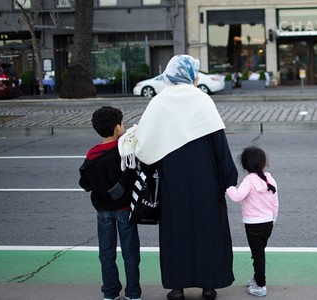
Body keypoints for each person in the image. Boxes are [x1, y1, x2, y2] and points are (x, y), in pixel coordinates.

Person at [118, 54, 238, 300]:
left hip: (173, 181)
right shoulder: (203, 101)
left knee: (176, 233)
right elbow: (219, 145)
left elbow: (144, 145)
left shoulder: (159, 103)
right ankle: (209, 285)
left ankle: (177, 287)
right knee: (208, 232)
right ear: (191, 75)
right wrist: (228, 179)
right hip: (207, 181)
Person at [79, 106, 141, 300]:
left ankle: (110, 292)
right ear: (117, 128)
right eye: (122, 123)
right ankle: (133, 293)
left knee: (106, 253)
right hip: (125, 209)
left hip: (103, 211)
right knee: (130, 254)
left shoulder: (92, 154)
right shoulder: (125, 151)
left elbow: (85, 183)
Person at [226, 146, 278, 297]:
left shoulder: (249, 180)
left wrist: (227, 186)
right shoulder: (270, 178)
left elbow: (236, 196)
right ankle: (256, 279)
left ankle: (261, 286)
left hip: (253, 225)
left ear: (245, 165)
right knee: (259, 253)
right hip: (268, 223)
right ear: (264, 163)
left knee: (258, 256)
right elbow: (275, 203)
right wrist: (273, 219)